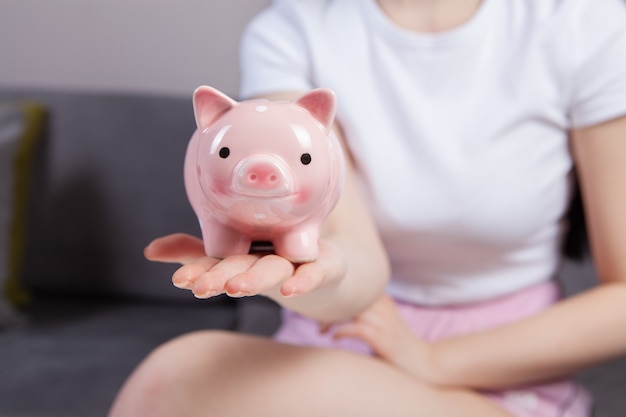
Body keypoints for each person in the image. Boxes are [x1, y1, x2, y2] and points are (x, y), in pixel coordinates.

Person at [109, 0, 626, 416]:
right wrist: (310, 272)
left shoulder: (582, 21)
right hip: (342, 338)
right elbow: (348, 250)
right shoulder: (293, 28)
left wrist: (434, 360)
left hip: (496, 367)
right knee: (176, 384)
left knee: (177, 379)